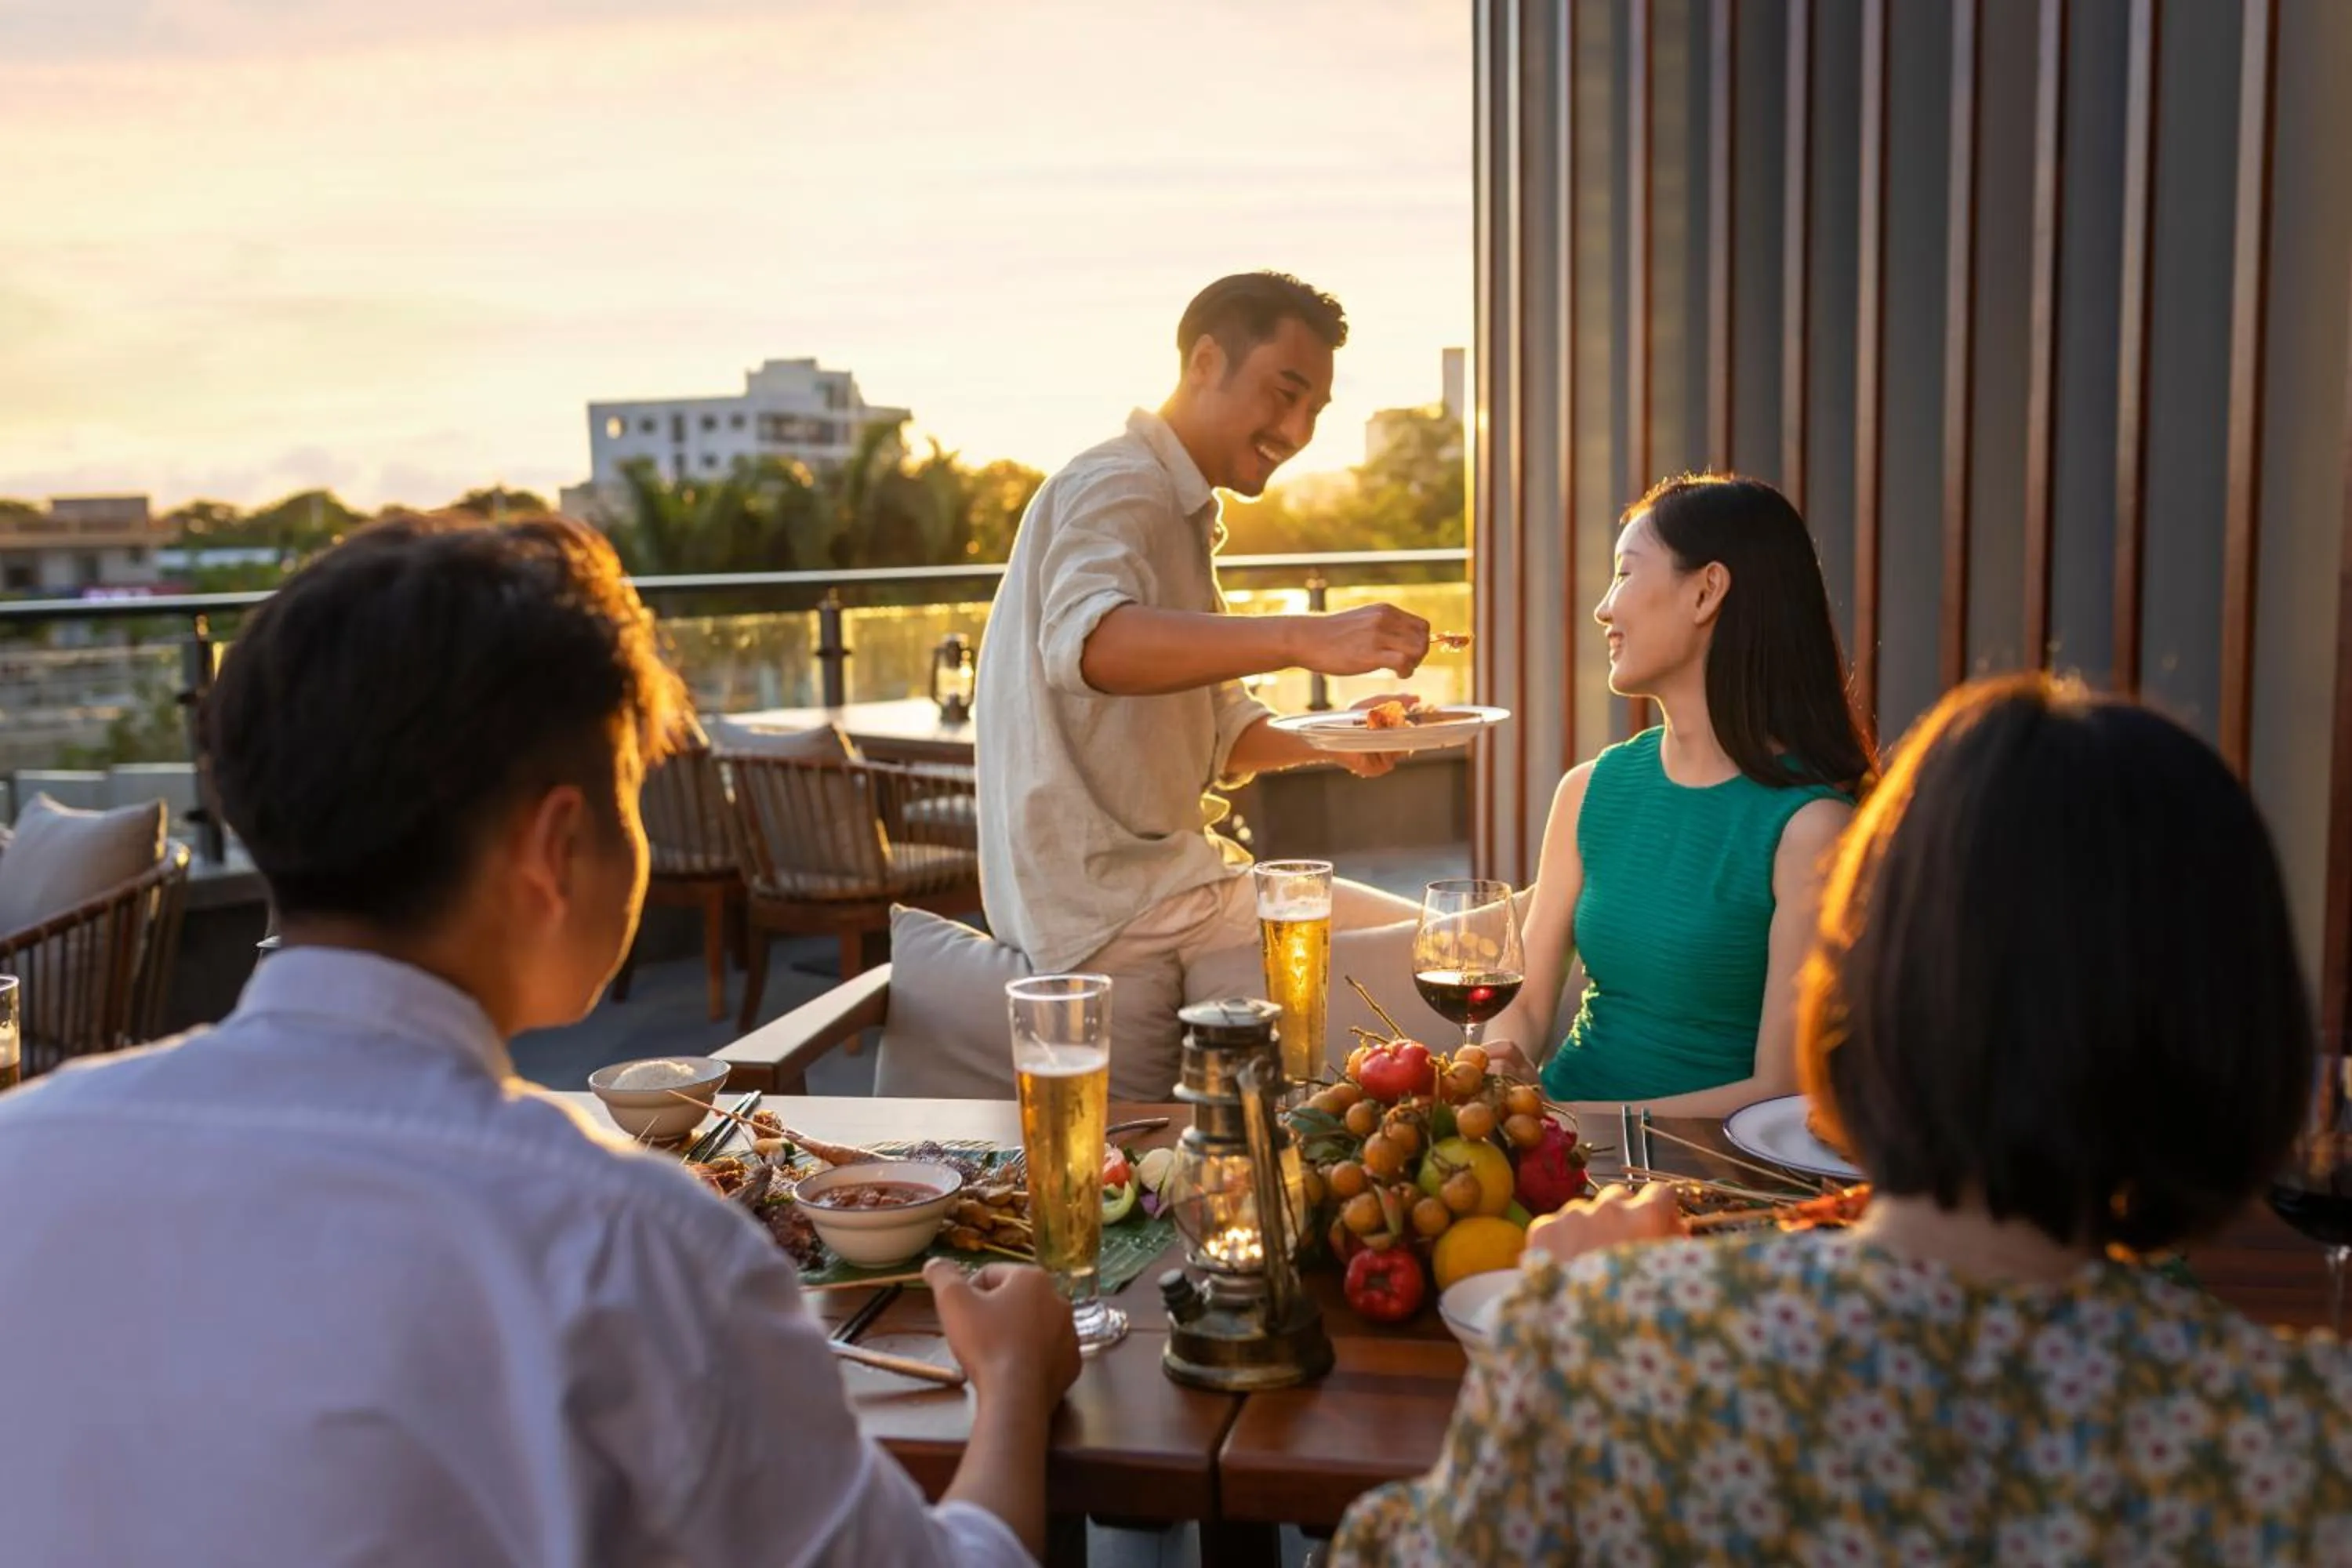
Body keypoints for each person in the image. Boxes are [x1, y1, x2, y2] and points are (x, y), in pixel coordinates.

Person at [0, 514, 1080, 1566]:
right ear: (556, 845)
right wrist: (1016, 1381)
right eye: (630, 794)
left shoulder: (25, 1155)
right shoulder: (629, 1250)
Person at [1331, 674, 2350, 1564]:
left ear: (1866, 980)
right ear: (2241, 1024)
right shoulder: (2300, 1442)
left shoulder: (1634, 1346)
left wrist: (1561, 1333)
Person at [977, 270, 1435, 1098]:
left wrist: (1335, 735)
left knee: (1445, 942)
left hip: (1164, 890)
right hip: (1119, 913)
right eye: (1283, 392)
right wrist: (1304, 634)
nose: (1297, 430)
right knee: (1458, 941)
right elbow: (1089, 645)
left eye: (1315, 411)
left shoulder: (1178, 511)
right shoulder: (1120, 483)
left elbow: (1222, 728)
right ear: (1205, 359)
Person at [1484, 474, 1871, 1115]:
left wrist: (1564, 1119)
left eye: (1624, 574)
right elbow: (1524, 1004)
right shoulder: (1589, 790)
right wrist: (1501, 1070)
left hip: (1698, 1177)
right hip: (1555, 1147)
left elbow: (1782, 1090)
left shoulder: (1811, 829)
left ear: (1706, 591)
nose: (1604, 608)